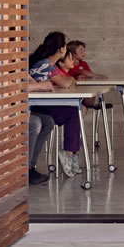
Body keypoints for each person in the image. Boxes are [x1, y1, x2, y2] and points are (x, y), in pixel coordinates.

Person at [27, 32, 86, 184]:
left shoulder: (47, 64)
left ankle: (70, 154)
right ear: (61, 50)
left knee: (74, 112)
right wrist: (72, 78)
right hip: (37, 105)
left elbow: (65, 81)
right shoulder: (45, 64)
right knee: (73, 113)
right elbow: (66, 83)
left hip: (43, 103)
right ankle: (68, 154)